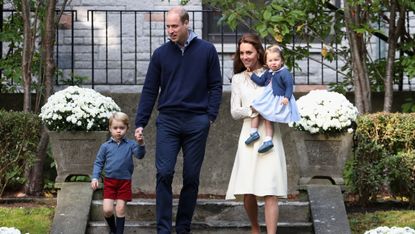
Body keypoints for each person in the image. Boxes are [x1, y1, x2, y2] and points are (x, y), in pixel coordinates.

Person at [134, 6, 222, 234]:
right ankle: (163, 230)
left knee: (191, 177)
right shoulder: (160, 54)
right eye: (167, 26)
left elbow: (215, 85)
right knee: (164, 173)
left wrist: (210, 116)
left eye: (174, 26)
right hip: (169, 121)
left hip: (197, 122)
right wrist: (140, 122)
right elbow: (150, 90)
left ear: (186, 24)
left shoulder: (207, 51)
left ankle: (183, 228)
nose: (170, 30)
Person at [225, 33, 288, 234]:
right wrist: (253, 110)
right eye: (242, 53)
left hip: (269, 133)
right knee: (247, 189)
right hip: (248, 134)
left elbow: (283, 102)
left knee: (270, 189)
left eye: (249, 52)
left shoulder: (272, 73)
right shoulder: (237, 79)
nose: (245, 56)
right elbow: (235, 111)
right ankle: (255, 229)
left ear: (258, 52)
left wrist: (270, 108)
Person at [91, 112, 146, 234]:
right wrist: (95, 177)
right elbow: (98, 163)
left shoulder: (131, 144)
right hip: (110, 182)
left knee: (120, 209)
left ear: (127, 128)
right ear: (110, 128)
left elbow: (140, 155)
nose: (118, 131)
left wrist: (141, 143)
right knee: (107, 210)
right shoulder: (105, 146)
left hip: (124, 182)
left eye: (122, 128)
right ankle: (113, 230)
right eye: (115, 128)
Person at [244, 45, 300, 153]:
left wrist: (286, 97)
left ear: (282, 60)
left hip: (276, 99)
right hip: (267, 98)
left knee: (268, 118)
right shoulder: (268, 72)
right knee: (254, 109)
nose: (273, 62)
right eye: (270, 60)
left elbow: (289, 86)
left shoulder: (284, 73)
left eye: (276, 60)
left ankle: (268, 139)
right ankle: (254, 132)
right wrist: (251, 75)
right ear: (266, 62)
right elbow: (260, 81)